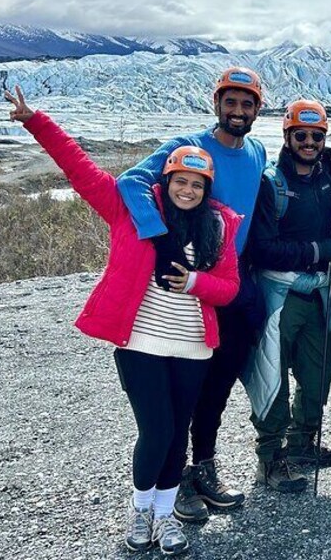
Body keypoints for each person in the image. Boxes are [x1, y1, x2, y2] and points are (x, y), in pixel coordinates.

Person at [6, 87, 240, 556]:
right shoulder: (130, 211)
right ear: (167, 179)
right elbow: (80, 170)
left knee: (177, 435)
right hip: (141, 344)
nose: (188, 190)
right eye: (181, 181)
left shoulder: (219, 226)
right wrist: (36, 122)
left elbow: (229, 289)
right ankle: (140, 509)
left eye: (197, 184)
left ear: (206, 189)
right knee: (156, 430)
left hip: (193, 348)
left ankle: (165, 514)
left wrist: (194, 282)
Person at [117, 67, 267, 520]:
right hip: (188, 291)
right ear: (217, 103)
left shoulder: (258, 151)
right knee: (186, 391)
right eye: (231, 101)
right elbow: (131, 182)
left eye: (247, 103)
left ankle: (203, 466)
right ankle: (174, 480)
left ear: (257, 109)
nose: (237, 111)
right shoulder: (192, 146)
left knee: (218, 386)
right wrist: (160, 240)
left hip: (230, 286)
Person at [247, 99, 331, 493]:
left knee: (319, 371)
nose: (309, 142)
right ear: (287, 136)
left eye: (317, 136)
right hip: (280, 293)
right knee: (272, 375)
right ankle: (270, 459)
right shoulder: (271, 184)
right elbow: (262, 249)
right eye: (301, 135)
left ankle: (304, 440)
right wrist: (319, 252)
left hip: (318, 292)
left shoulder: (328, 176)